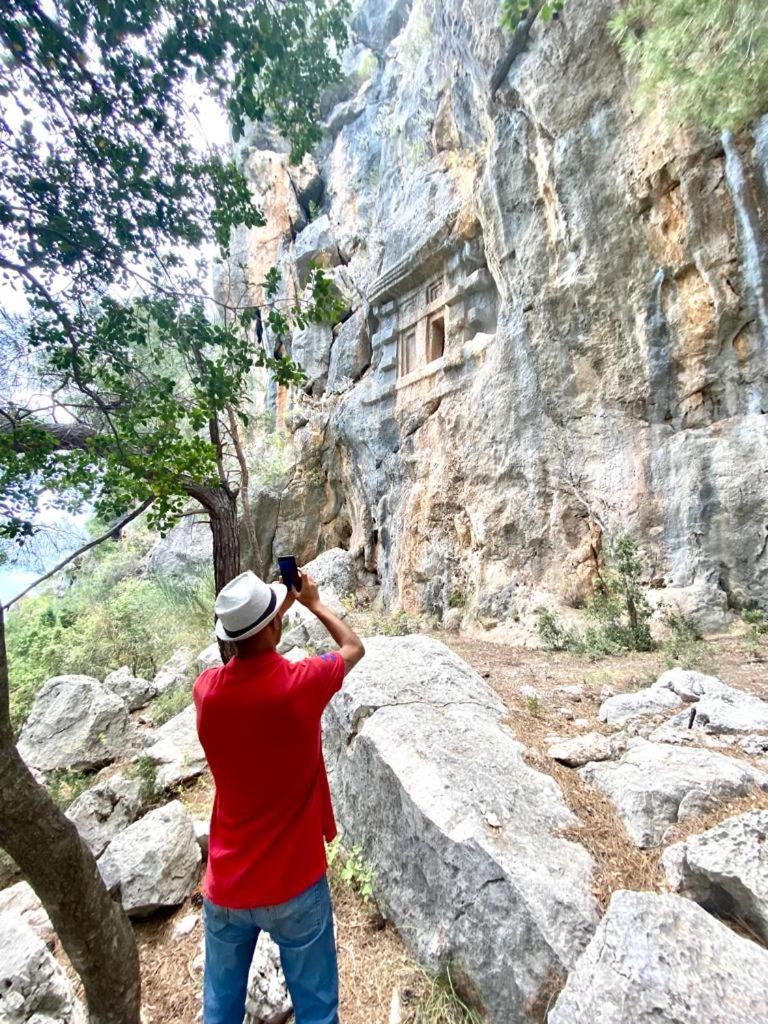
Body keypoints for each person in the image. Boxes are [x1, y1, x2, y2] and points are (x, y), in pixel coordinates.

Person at [193, 568, 365, 1024]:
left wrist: (270, 614)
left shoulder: (206, 692)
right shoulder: (300, 683)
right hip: (295, 881)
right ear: (273, 625)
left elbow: (248, 646)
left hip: (228, 885)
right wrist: (312, 603)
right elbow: (353, 648)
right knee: (317, 1012)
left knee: (219, 1012)